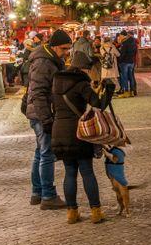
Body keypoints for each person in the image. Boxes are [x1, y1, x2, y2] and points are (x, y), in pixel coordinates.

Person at [51, 50, 107, 224]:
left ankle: (72, 213)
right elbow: (98, 104)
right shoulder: (81, 83)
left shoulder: (56, 81)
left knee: (69, 172)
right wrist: (108, 90)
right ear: (84, 68)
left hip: (59, 130)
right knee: (87, 172)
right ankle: (96, 211)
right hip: (78, 132)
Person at [25, 29, 72, 210]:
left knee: (40, 152)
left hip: (38, 112)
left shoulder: (49, 59)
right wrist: (46, 120)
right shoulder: (44, 62)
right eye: (64, 48)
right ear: (54, 47)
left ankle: (37, 192)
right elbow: (38, 92)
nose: (67, 52)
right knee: (47, 153)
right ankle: (48, 195)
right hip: (41, 113)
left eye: (69, 48)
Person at [118, 30, 138, 96]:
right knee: (131, 76)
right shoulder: (133, 41)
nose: (119, 37)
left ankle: (126, 92)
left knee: (125, 77)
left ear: (122, 35)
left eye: (120, 36)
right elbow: (135, 51)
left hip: (125, 62)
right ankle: (132, 91)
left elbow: (123, 53)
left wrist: (120, 60)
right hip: (131, 61)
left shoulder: (125, 42)